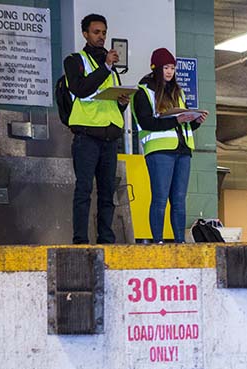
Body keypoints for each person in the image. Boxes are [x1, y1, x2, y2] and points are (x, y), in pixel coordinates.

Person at [64, 13, 130, 244]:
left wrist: (121, 103)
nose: (101, 36)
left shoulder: (110, 67)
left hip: (110, 137)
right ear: (85, 34)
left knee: (106, 193)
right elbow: (81, 89)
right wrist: (106, 66)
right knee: (83, 190)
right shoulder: (75, 61)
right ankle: (80, 240)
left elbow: (108, 104)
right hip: (87, 137)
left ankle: (106, 239)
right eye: (96, 32)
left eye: (103, 32)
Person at [133, 48, 205, 243]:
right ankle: (158, 241)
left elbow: (182, 124)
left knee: (179, 200)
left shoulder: (177, 92)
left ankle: (180, 241)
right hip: (159, 151)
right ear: (156, 67)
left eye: (172, 67)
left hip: (182, 150)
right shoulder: (143, 92)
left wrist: (195, 120)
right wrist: (177, 120)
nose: (170, 71)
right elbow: (147, 122)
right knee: (160, 198)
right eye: (166, 67)